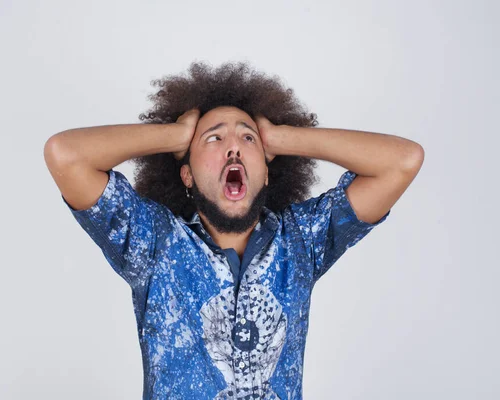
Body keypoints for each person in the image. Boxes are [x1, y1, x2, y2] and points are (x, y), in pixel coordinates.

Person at [44, 61, 424, 399]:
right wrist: (174, 136)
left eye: (247, 138)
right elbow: (66, 154)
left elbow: (402, 161)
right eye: (214, 138)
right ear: (187, 175)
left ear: (268, 170)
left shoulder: (301, 242)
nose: (234, 149)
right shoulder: (155, 244)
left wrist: (283, 138)